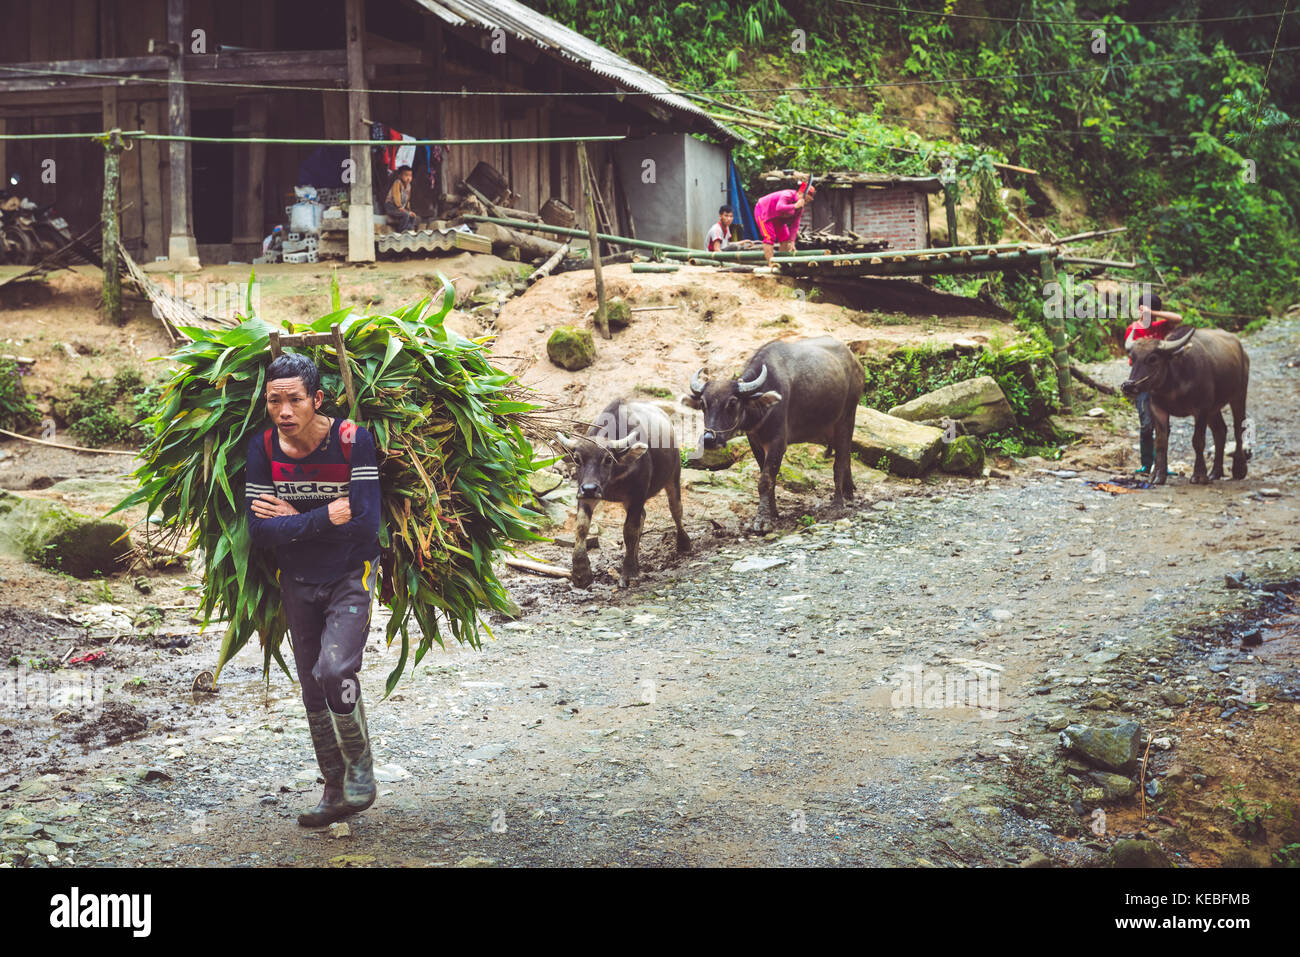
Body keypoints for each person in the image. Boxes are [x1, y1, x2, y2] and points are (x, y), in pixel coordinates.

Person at [246, 353, 382, 827]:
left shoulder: (352, 441)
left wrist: (294, 519)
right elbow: (260, 533)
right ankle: (334, 788)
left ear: (316, 399)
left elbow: (366, 525)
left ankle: (361, 768)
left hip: (350, 572)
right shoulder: (262, 448)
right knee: (310, 686)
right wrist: (326, 516)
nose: (284, 411)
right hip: (296, 579)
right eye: (274, 401)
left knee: (335, 668)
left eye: (295, 400)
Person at [1123, 292, 1183, 474]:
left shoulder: (1161, 326)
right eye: (1146, 310)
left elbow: (1178, 318)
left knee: (1163, 424)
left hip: (1162, 383)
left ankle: (1161, 464)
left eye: (1155, 312)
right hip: (1142, 382)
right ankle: (1146, 464)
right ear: (1140, 309)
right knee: (1147, 424)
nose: (1151, 315)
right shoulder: (1134, 330)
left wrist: (1154, 313)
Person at [753, 183, 814, 267]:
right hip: (763, 211)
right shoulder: (787, 194)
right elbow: (779, 207)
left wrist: (792, 241)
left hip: (778, 218)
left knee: (786, 239)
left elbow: (795, 225)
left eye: (808, 201)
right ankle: (771, 264)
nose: (805, 203)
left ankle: (781, 263)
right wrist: (795, 206)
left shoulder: (800, 208)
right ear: (799, 193)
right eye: (805, 200)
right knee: (769, 237)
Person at [384, 165, 418, 232]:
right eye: (406, 175)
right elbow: (396, 195)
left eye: (410, 176)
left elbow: (408, 200)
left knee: (413, 216)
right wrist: (399, 207)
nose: (408, 178)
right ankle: (401, 231)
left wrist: (408, 210)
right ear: (400, 176)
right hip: (391, 206)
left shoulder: (409, 186)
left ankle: (409, 230)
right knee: (405, 215)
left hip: (400, 208)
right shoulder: (397, 183)